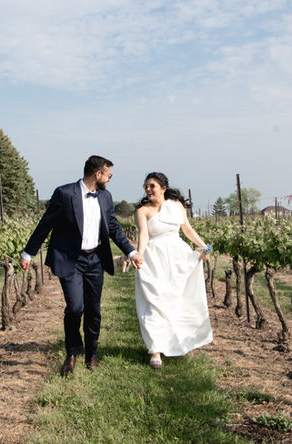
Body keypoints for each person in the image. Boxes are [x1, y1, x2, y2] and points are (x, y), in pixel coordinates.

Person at [19, 156, 143, 375]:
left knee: (93, 310)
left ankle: (91, 354)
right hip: (71, 260)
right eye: (109, 175)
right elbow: (45, 224)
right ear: (98, 174)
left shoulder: (105, 197)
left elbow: (113, 228)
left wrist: (131, 251)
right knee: (75, 308)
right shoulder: (65, 193)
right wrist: (28, 252)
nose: (109, 179)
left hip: (95, 260)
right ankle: (72, 353)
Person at [135, 172, 213, 369]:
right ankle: (155, 350)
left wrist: (205, 247)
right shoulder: (142, 211)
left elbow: (187, 229)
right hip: (154, 259)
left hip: (177, 256)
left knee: (178, 301)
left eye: (152, 185)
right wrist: (139, 255)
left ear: (163, 188)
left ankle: (179, 341)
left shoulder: (176, 206)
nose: (148, 189)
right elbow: (143, 235)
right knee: (154, 302)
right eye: (146, 186)